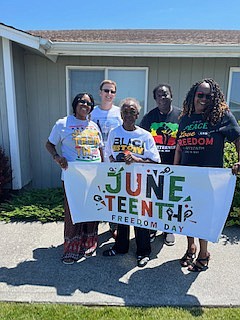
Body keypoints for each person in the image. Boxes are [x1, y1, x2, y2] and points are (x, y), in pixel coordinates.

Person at [174, 78, 240, 272]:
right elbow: (179, 146)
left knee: (201, 216)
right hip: (186, 176)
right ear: (193, 96)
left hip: (209, 178)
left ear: (214, 98)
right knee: (186, 214)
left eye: (208, 96)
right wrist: (174, 169)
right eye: (200, 95)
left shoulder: (222, 116)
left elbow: (237, 138)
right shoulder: (185, 119)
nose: (203, 99)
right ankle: (190, 247)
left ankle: (204, 254)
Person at [46, 92, 104, 264]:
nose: (85, 105)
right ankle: (72, 246)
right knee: (73, 211)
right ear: (75, 104)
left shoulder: (93, 126)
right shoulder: (63, 124)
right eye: (81, 101)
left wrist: (104, 168)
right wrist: (57, 157)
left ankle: (89, 242)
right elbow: (49, 144)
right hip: (73, 176)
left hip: (94, 176)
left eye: (89, 103)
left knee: (91, 209)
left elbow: (100, 149)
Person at [102, 97, 161, 267]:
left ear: (137, 114)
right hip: (120, 182)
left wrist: (136, 159)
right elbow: (108, 154)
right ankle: (121, 247)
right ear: (121, 114)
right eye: (125, 111)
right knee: (122, 216)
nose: (128, 114)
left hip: (140, 184)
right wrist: (114, 161)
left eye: (132, 111)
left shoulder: (144, 135)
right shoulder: (114, 133)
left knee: (140, 217)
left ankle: (143, 252)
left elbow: (156, 161)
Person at [140, 84, 180, 245]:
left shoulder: (181, 116)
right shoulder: (149, 117)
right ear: (155, 99)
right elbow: (140, 139)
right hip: (153, 167)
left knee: (170, 199)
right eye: (159, 96)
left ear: (171, 95)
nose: (162, 98)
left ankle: (168, 229)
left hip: (174, 166)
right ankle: (153, 227)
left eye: (165, 94)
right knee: (153, 199)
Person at [91, 80, 122, 239]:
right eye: (106, 91)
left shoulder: (119, 112)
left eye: (112, 91)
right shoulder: (93, 112)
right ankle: (92, 229)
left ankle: (113, 226)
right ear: (100, 92)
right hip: (95, 161)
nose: (109, 94)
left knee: (114, 195)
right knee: (97, 194)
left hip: (115, 162)